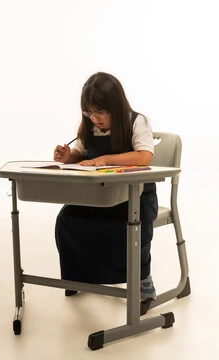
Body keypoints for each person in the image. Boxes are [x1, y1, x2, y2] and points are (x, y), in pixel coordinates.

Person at [53, 72, 158, 301]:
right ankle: (79, 275)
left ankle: (142, 278)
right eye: (89, 113)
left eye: (100, 112)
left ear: (115, 106)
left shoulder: (136, 122)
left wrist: (107, 159)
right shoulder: (90, 128)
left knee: (131, 226)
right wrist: (68, 156)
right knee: (67, 219)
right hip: (99, 197)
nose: (94, 119)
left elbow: (144, 156)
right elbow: (82, 154)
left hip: (133, 199)